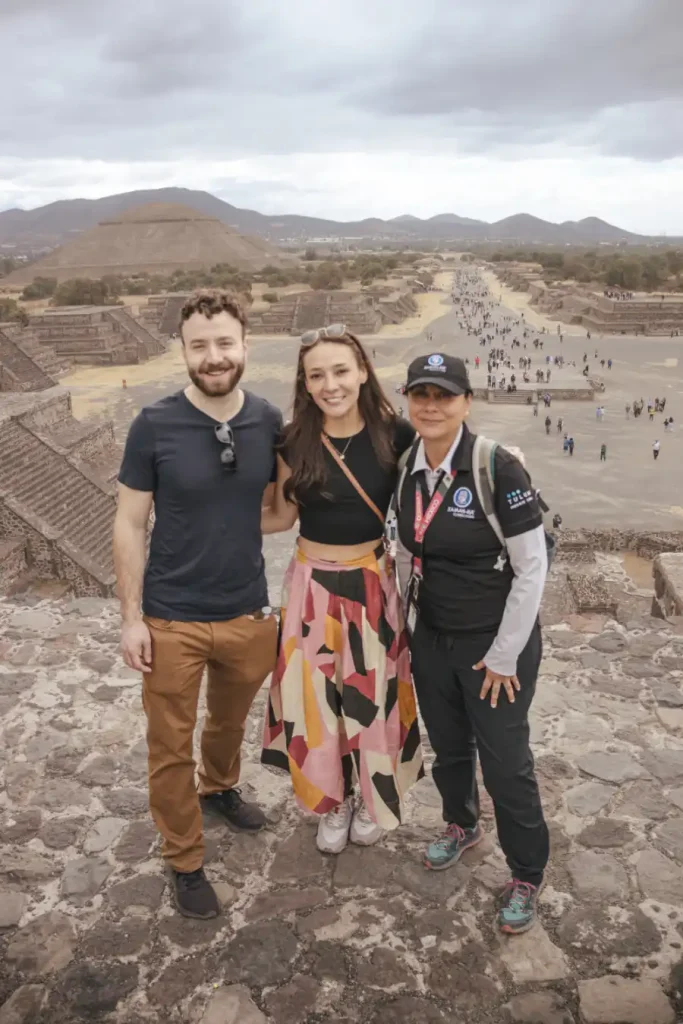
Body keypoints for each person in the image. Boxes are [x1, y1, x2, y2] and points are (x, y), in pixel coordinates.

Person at [113, 290, 281, 920]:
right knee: (168, 745)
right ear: (183, 351)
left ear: (244, 345)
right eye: (200, 345)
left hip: (246, 611)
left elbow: (278, 509)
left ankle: (219, 788)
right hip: (171, 617)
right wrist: (131, 618)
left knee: (230, 724)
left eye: (224, 343)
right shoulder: (153, 424)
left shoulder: (268, 420)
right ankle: (184, 858)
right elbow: (130, 522)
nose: (214, 357)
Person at [394, 353, 549, 935]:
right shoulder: (407, 464)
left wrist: (505, 654)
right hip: (433, 638)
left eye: (444, 395)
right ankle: (462, 824)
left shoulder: (496, 468)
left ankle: (527, 872)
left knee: (507, 764)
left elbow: (531, 569)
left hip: (493, 647)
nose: (431, 406)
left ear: (466, 402)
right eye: (421, 394)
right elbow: (409, 552)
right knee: (451, 748)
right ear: (408, 401)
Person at [261, 324, 424, 855]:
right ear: (305, 385)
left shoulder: (395, 434)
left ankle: (371, 798)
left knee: (370, 702)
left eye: (340, 371)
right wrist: (208, 513)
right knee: (317, 704)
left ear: (362, 373)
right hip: (309, 587)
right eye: (316, 376)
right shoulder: (291, 440)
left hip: (371, 586)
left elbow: (430, 493)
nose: (330, 384)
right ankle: (332, 802)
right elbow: (282, 517)